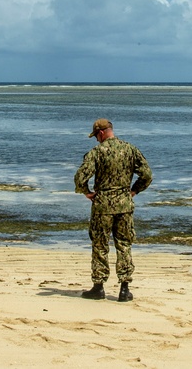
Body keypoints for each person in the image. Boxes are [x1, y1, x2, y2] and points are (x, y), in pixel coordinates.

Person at [74, 118, 152, 302]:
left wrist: (86, 192)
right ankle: (124, 289)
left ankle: (98, 287)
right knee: (124, 244)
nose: (96, 140)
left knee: (100, 245)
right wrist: (134, 190)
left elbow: (79, 177)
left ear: (101, 133)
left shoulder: (97, 152)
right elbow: (147, 174)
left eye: (96, 136)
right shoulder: (130, 149)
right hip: (124, 204)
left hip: (102, 205)